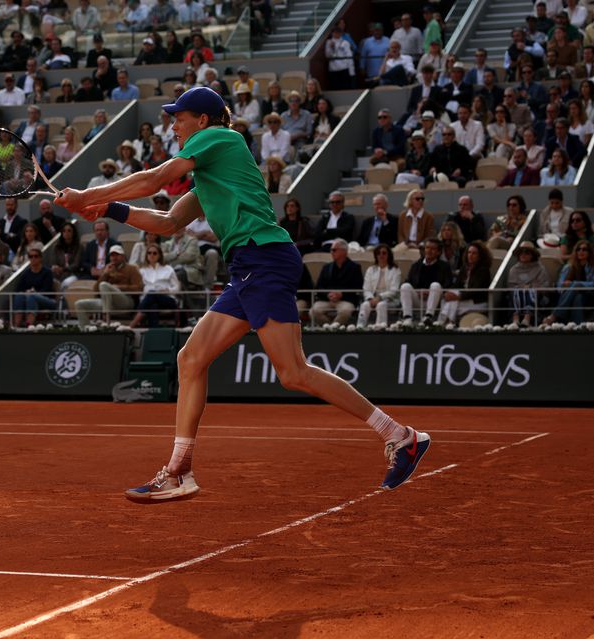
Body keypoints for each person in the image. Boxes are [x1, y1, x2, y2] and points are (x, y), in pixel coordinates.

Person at [56, 87, 430, 500]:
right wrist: (108, 209)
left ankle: (400, 436)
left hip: (263, 258)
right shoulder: (213, 173)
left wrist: (88, 195)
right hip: (248, 266)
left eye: (179, 118)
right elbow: (167, 222)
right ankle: (179, 470)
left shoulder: (221, 138)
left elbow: (154, 179)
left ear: (202, 121)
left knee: (293, 372)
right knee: (191, 359)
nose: (173, 126)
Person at [75, 244, 144, 325]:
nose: (114, 257)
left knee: (104, 285)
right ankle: (86, 329)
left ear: (123, 256)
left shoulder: (132, 268)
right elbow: (96, 290)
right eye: (112, 255)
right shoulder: (107, 268)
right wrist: (105, 274)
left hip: (126, 300)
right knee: (79, 304)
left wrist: (119, 287)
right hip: (108, 302)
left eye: (117, 255)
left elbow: (139, 288)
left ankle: (105, 317)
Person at [309, 239, 362, 325]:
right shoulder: (326, 267)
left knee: (345, 311)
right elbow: (319, 286)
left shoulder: (355, 267)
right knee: (313, 311)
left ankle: (332, 328)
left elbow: (358, 287)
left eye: (334, 250)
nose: (331, 252)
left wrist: (341, 294)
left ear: (344, 251)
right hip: (327, 299)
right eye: (331, 250)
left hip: (346, 300)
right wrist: (328, 294)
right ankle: (330, 327)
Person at [401, 238, 453, 324]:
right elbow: (409, 281)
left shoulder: (445, 266)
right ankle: (407, 317)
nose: (429, 251)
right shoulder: (416, 265)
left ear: (439, 252)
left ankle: (428, 317)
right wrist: (418, 291)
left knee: (435, 285)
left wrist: (429, 292)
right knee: (405, 286)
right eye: (427, 248)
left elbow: (448, 284)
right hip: (419, 298)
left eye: (433, 249)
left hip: (435, 299)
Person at [129, 244, 180, 329]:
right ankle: (154, 330)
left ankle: (133, 323)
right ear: (146, 255)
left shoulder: (168, 269)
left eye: (154, 253)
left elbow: (177, 288)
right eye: (149, 253)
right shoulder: (142, 271)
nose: (151, 255)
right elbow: (139, 288)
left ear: (159, 255)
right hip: (148, 301)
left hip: (166, 299)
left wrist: (167, 290)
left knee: (152, 294)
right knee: (152, 304)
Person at [356, 244, 401, 327]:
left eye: (384, 253)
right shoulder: (371, 270)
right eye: (378, 253)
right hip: (373, 298)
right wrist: (370, 298)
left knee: (381, 305)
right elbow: (366, 288)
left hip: (390, 300)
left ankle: (380, 328)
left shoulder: (395, 270)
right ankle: (359, 328)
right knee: (365, 305)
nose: (381, 255)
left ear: (388, 255)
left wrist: (380, 297)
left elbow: (394, 290)